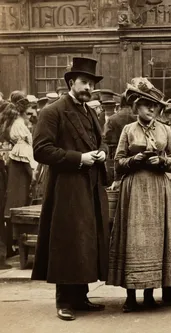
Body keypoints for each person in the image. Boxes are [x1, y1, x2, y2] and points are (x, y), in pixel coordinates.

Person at [107, 77, 171, 312]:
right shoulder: (128, 129)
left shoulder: (165, 130)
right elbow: (117, 162)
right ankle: (130, 296)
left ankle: (149, 295)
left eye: (155, 106)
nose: (151, 109)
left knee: (156, 241)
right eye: (146, 105)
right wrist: (133, 160)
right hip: (135, 189)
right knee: (134, 240)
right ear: (136, 106)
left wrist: (163, 161)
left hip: (159, 189)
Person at [31, 57, 110, 321]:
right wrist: (79, 159)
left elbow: (103, 142)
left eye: (91, 83)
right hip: (67, 186)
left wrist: (101, 153)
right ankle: (64, 300)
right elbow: (41, 150)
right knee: (68, 239)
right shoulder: (52, 111)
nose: (88, 87)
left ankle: (80, 296)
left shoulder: (91, 112)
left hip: (90, 184)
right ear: (70, 83)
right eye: (84, 82)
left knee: (85, 240)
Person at [0, 98, 37, 255]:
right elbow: (26, 153)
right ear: (23, 111)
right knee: (18, 203)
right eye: (29, 113)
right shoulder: (19, 126)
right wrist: (34, 171)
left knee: (17, 203)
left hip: (19, 166)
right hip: (21, 168)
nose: (31, 116)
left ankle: (14, 242)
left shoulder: (18, 124)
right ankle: (15, 242)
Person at [103, 93, 137, 189]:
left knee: (114, 188)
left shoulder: (112, 119)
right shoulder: (137, 118)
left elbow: (106, 139)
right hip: (134, 156)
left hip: (114, 155)